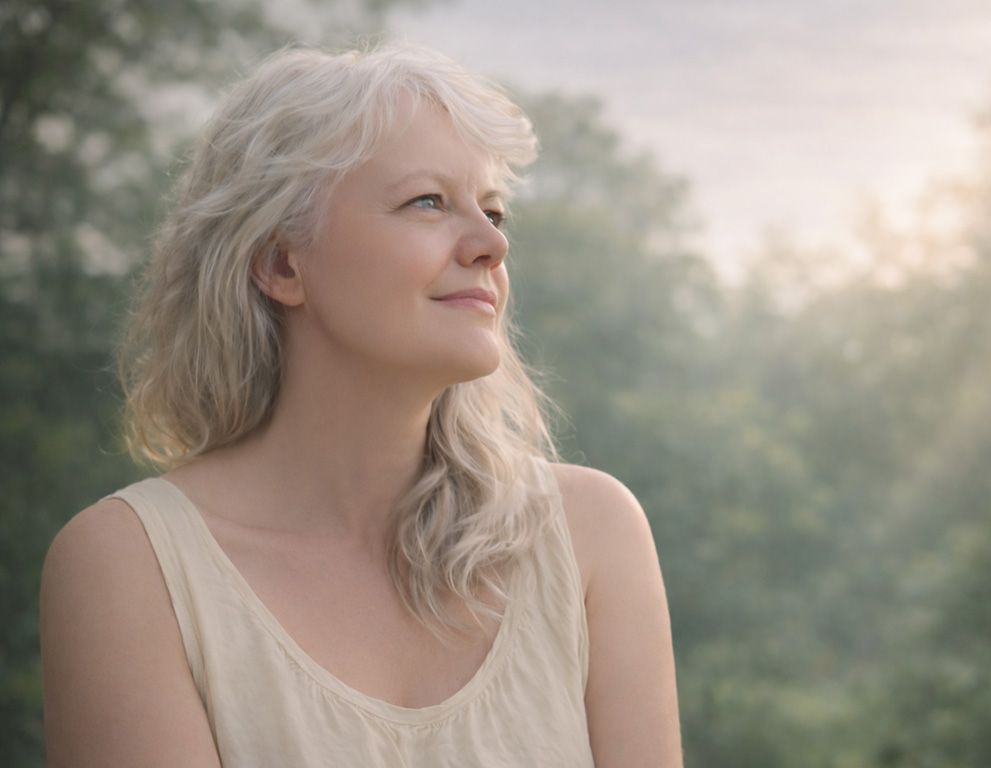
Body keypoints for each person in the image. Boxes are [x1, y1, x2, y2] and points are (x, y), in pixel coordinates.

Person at [38, 42, 682, 767]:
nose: (490, 244)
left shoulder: (589, 536)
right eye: (428, 201)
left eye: (494, 210)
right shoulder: (130, 565)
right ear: (283, 264)